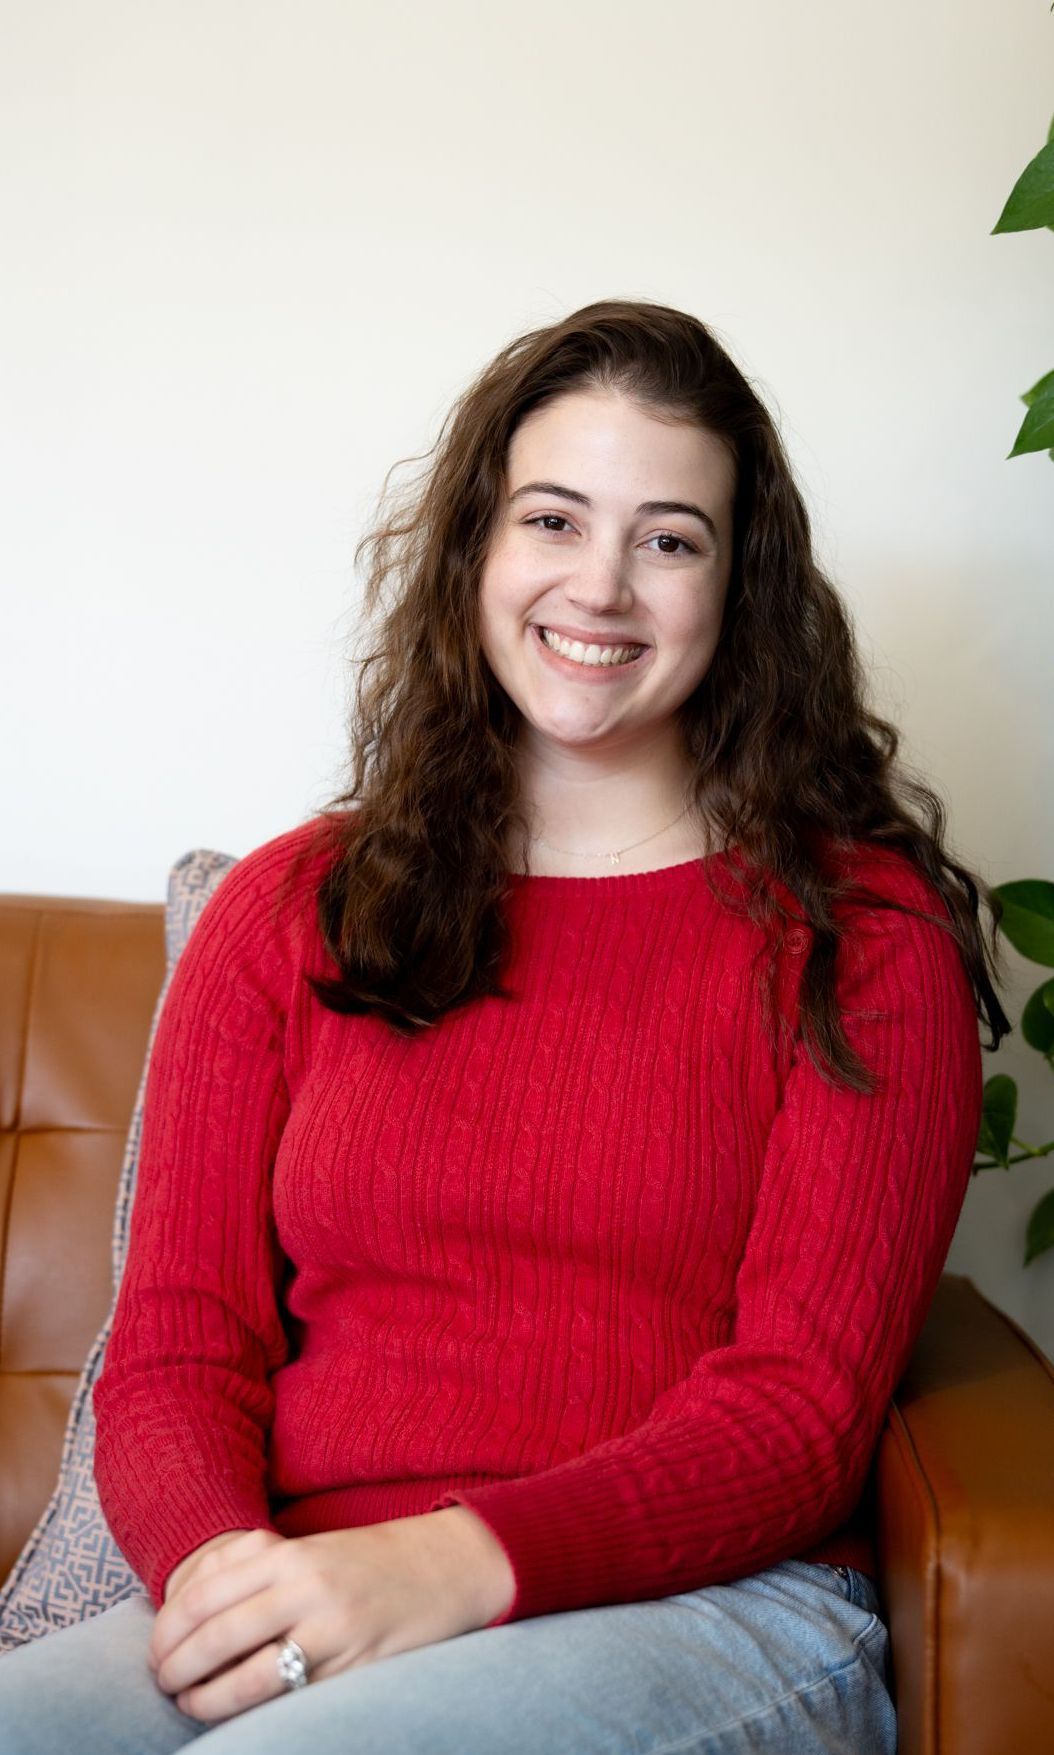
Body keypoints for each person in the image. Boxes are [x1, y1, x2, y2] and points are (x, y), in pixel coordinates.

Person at [0, 298, 1009, 1753]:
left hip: (705, 1605)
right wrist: (237, 1586)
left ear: (739, 590)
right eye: (552, 520)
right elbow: (180, 1345)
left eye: (668, 539)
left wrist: (441, 1568)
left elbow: (800, 1410)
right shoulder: (292, 909)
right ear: (477, 545)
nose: (598, 587)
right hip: (310, 1578)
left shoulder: (861, 935)